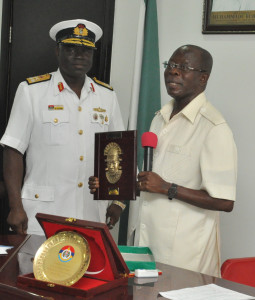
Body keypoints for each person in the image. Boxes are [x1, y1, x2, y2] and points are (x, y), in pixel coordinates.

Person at [90, 44, 237, 277]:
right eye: (171, 65)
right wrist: (111, 185)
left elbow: (224, 201)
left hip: (185, 253)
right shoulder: (160, 118)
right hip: (147, 241)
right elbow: (150, 182)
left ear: (203, 78)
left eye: (184, 67)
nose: (174, 72)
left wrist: (168, 188)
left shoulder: (214, 128)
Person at [1, 19, 125, 235]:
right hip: (43, 212)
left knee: (90, 268)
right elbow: (13, 150)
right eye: (71, 48)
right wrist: (15, 206)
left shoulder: (107, 96)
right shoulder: (31, 91)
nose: (79, 55)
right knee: (37, 268)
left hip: (92, 212)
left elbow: (118, 151)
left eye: (86, 50)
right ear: (57, 51)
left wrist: (118, 201)